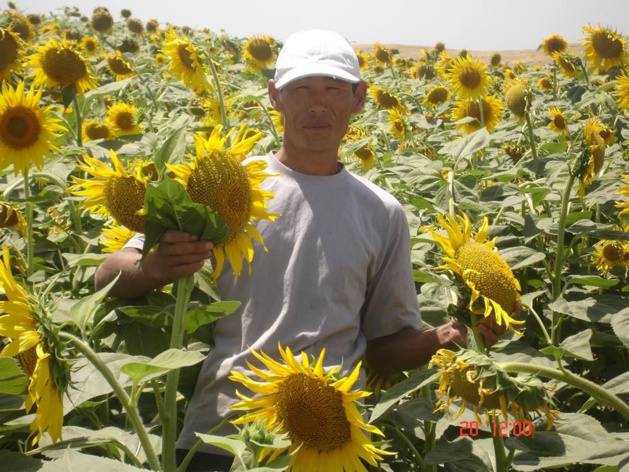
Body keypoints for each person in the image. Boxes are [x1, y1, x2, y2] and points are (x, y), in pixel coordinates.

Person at [95, 29, 507, 472]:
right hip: (222, 435)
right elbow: (107, 274)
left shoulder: (381, 212)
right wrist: (155, 268)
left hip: (328, 443)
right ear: (275, 96)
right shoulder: (227, 182)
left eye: (333, 89)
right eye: (301, 89)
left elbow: (382, 348)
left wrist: (445, 337)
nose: (317, 105)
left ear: (359, 98)